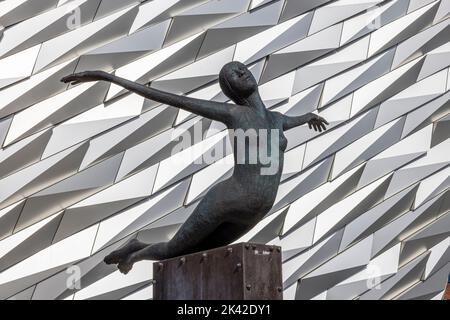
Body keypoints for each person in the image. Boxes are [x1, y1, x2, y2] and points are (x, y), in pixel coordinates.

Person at [61, 61, 329, 274]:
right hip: (229, 200)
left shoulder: (277, 119)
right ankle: (137, 253)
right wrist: (106, 77)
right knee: (174, 250)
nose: (242, 72)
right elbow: (167, 98)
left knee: (193, 255)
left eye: (242, 68)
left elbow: (298, 119)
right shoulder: (235, 114)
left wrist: (310, 117)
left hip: (256, 210)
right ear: (231, 89)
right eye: (234, 74)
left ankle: (137, 247)